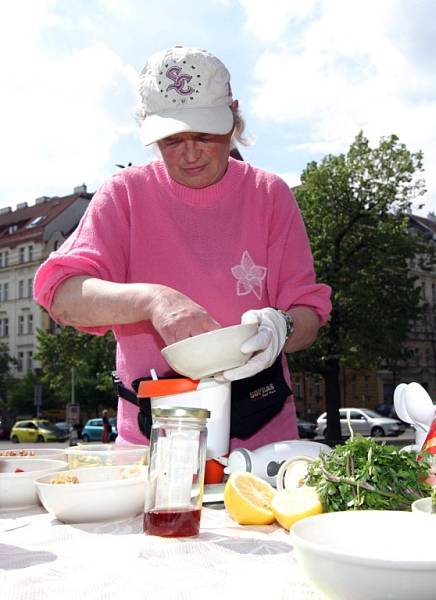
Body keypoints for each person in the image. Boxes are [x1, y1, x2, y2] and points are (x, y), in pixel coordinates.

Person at [34, 46, 331, 451]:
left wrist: (280, 328)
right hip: (155, 439)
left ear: (233, 116)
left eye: (205, 136)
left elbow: (308, 313)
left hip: (263, 437)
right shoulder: (124, 195)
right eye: (171, 140)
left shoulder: (269, 194)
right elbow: (63, 295)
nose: (190, 154)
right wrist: (153, 300)